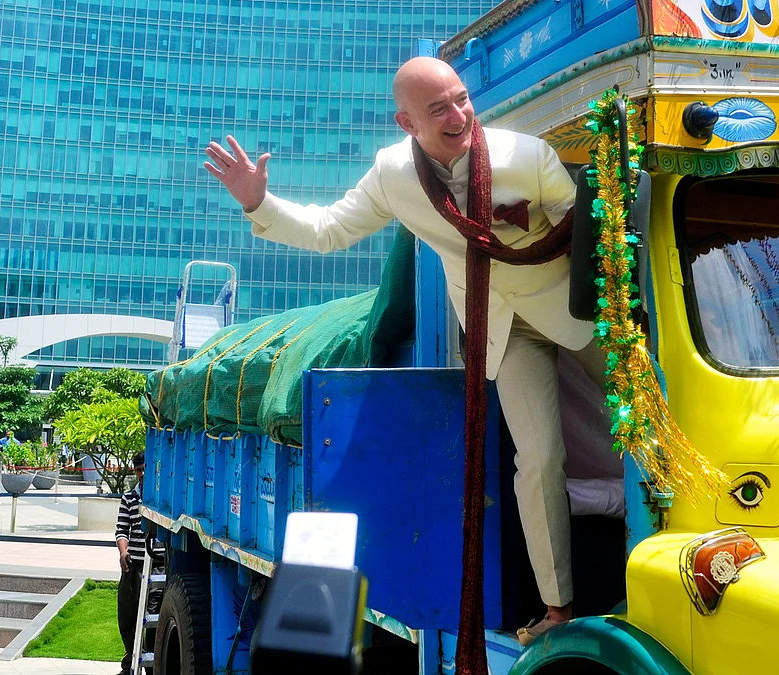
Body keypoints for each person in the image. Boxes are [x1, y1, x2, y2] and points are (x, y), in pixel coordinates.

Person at [204, 57, 606, 643]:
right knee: (538, 458)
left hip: (574, 308)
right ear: (406, 121)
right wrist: (258, 203)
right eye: (438, 107)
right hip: (502, 327)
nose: (457, 114)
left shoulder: (526, 154)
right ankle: (557, 608)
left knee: (656, 406)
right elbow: (328, 230)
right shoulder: (393, 174)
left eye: (461, 99)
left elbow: (588, 232)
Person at [115, 452, 147, 675]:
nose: (142, 474)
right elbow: (121, 530)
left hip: (156, 565)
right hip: (133, 565)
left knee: (152, 616)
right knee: (126, 613)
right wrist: (123, 552)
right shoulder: (128, 498)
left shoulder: (161, 498)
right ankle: (129, 664)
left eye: (145, 468)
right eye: (138, 470)